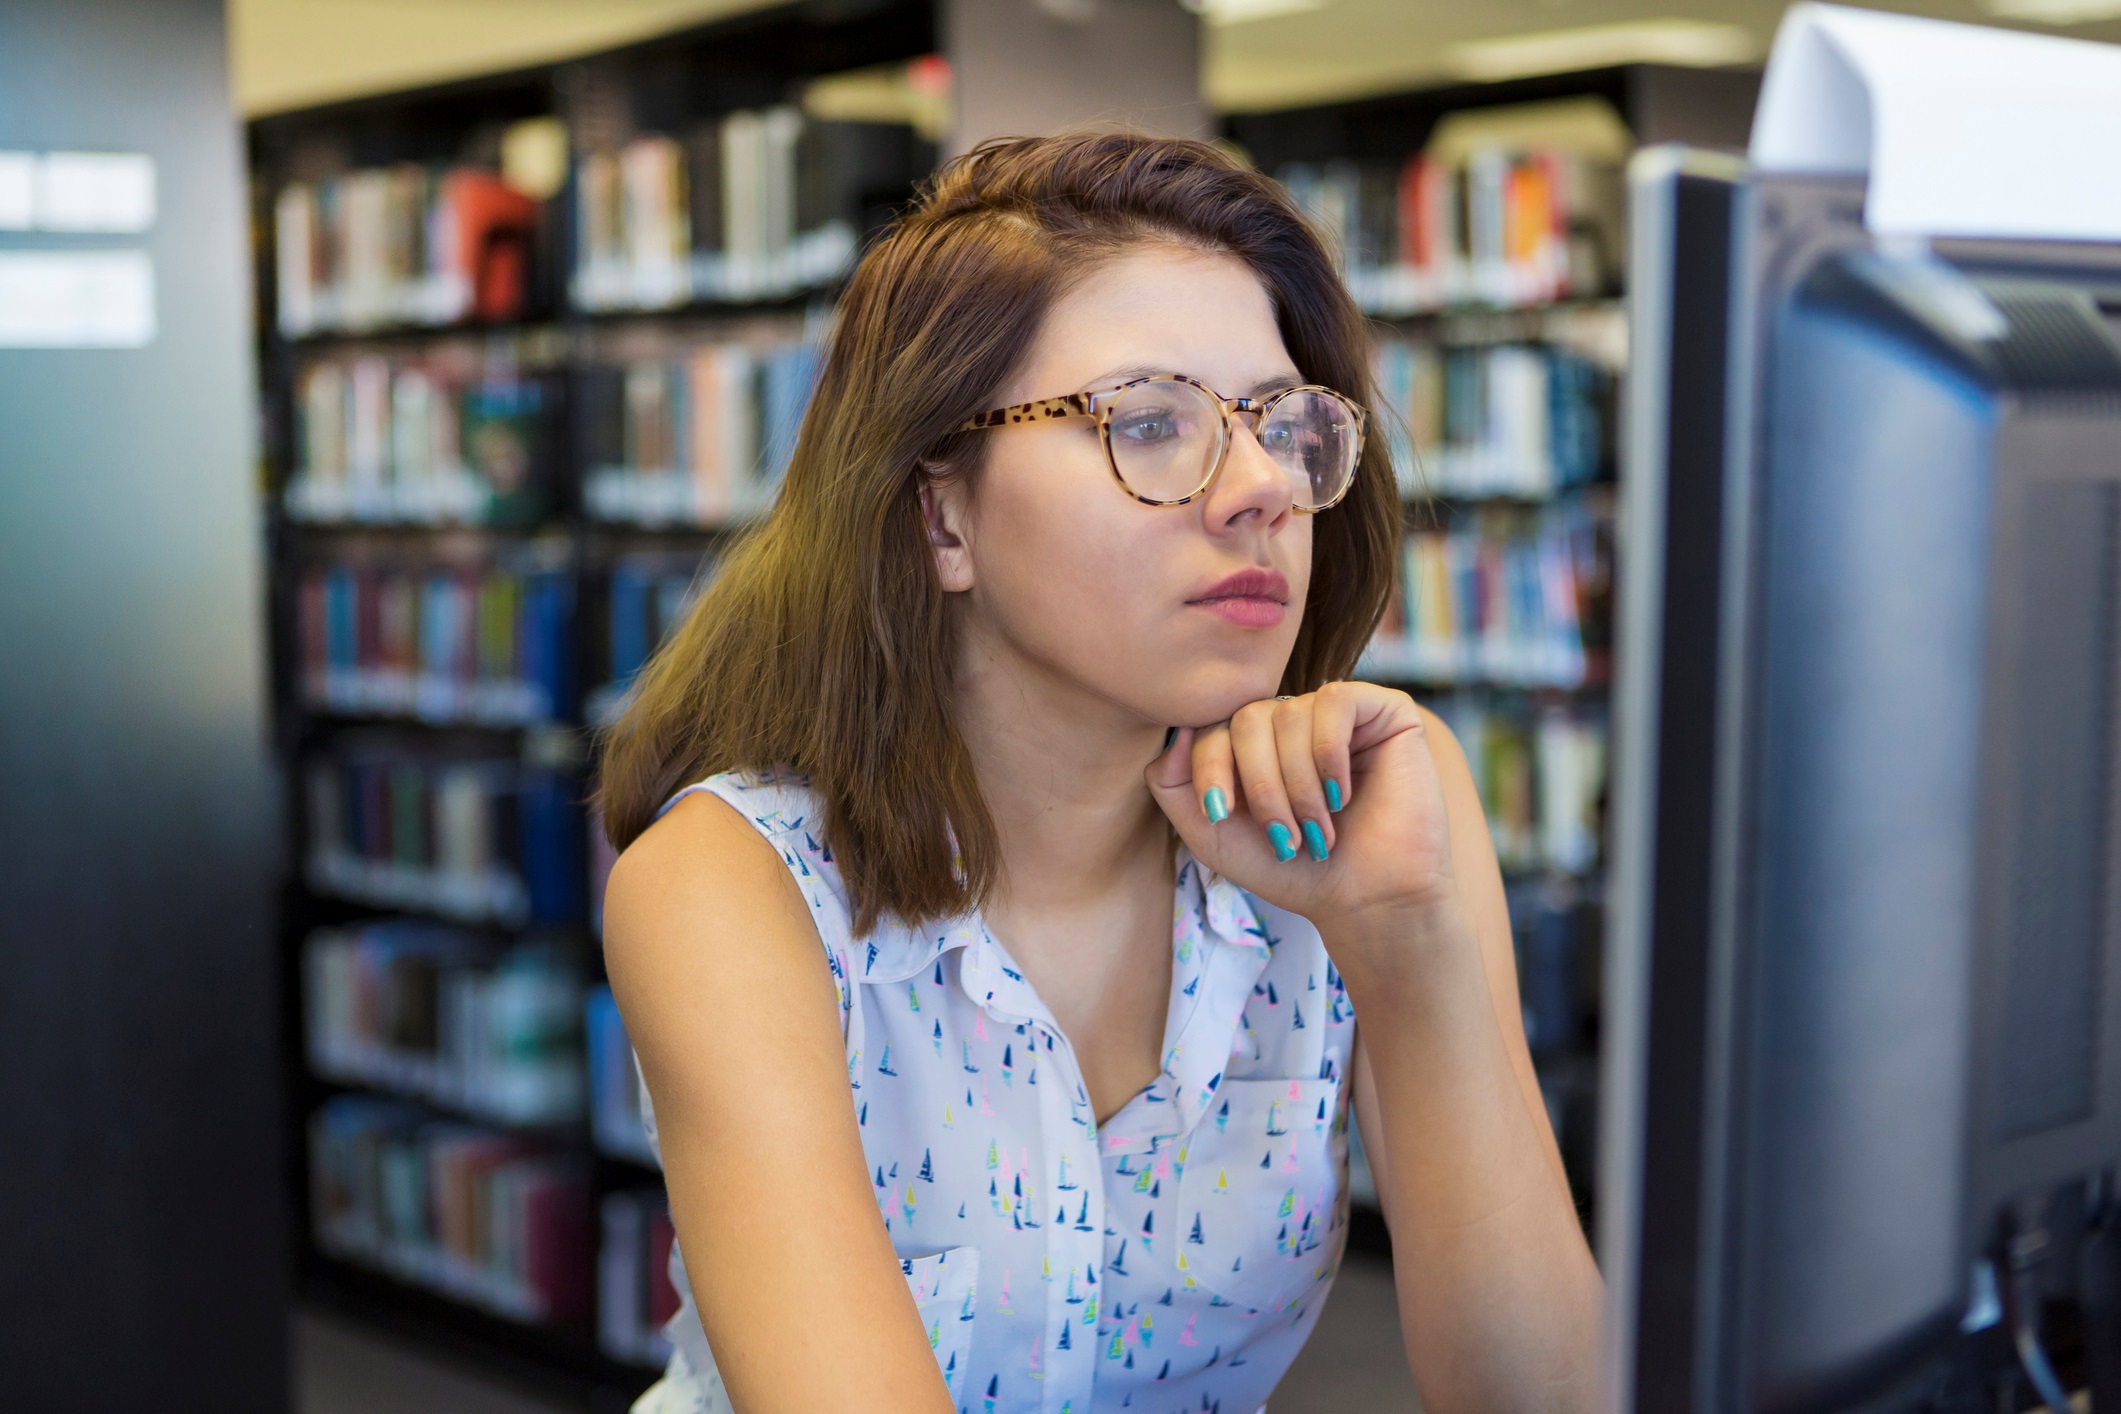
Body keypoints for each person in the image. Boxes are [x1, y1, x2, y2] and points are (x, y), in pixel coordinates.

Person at [597, 131, 1603, 1414]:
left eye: (1286, 428)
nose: (1261, 491)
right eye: (1148, 422)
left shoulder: (1374, 813)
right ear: (940, 514)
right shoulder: (734, 887)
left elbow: (1554, 1399)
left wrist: (1408, 944)